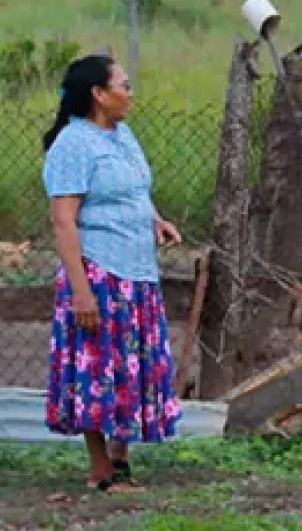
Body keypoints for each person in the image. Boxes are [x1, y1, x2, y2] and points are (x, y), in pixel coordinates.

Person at [41, 54, 184, 493]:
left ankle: (121, 462)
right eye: (124, 85)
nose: (130, 92)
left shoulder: (122, 136)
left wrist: (155, 220)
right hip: (100, 274)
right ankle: (101, 469)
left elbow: (134, 187)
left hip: (138, 274)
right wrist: (81, 293)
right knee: (100, 369)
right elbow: (64, 221)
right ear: (99, 95)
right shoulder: (73, 144)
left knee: (131, 368)